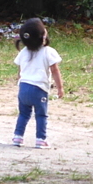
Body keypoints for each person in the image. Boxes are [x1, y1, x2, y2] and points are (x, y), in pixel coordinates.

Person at [11, 17, 63, 149]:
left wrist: (19, 81)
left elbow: (20, 70)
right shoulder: (49, 52)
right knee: (41, 115)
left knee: (23, 114)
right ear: (43, 35)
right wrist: (60, 88)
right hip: (39, 89)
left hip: (23, 88)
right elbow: (55, 70)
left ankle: (18, 137)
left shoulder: (24, 52)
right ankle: (40, 139)